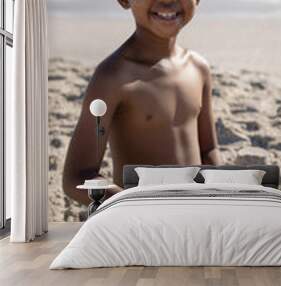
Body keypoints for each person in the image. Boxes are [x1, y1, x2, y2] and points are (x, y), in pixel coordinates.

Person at [63, 0, 221, 205]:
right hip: (144, 220)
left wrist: (221, 197)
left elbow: (208, 150)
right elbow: (76, 176)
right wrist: (132, 203)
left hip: (197, 213)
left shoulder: (199, 68)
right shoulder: (112, 77)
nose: (167, 1)